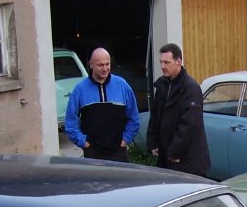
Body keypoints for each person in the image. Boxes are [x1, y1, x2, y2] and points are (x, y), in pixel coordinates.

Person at [65, 47, 139, 162]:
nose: (105, 69)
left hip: (119, 152)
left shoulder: (122, 85)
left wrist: (125, 139)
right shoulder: (80, 89)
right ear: (91, 64)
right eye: (100, 65)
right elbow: (70, 122)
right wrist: (84, 143)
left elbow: (134, 117)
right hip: (93, 153)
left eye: (107, 64)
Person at [146, 43, 210, 177]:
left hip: (187, 159)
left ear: (178, 62)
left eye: (167, 62)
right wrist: (152, 142)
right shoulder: (162, 86)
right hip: (166, 157)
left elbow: (189, 124)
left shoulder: (190, 88)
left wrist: (174, 152)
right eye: (161, 62)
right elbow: (155, 116)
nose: (163, 66)